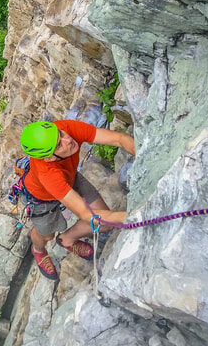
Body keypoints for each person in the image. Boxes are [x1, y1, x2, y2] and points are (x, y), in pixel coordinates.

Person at [19, 119, 135, 280]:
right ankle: (38, 250)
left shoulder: (66, 129)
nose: (68, 140)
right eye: (59, 145)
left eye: (60, 134)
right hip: (41, 198)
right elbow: (86, 214)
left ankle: (67, 239)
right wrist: (133, 216)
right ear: (49, 158)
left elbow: (119, 139)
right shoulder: (48, 174)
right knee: (46, 236)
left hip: (69, 178)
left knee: (106, 225)